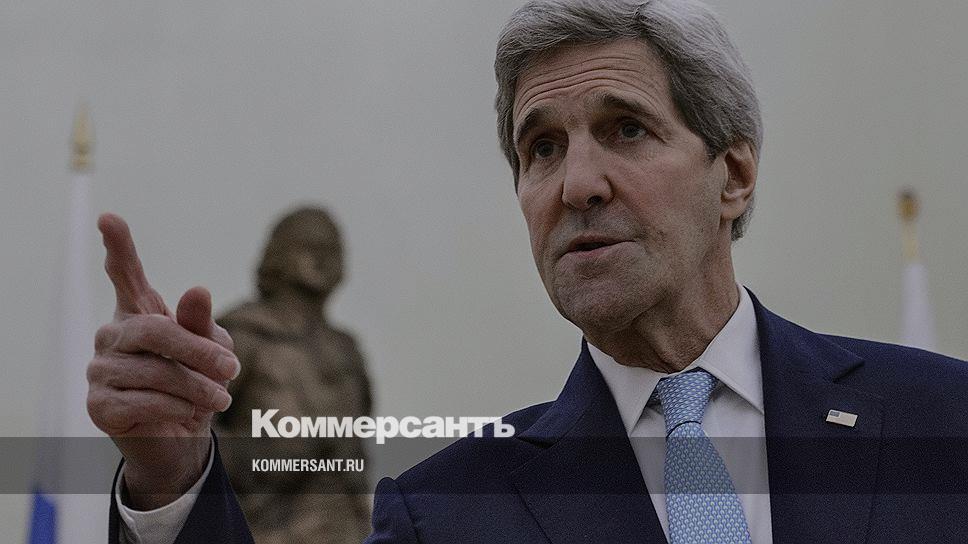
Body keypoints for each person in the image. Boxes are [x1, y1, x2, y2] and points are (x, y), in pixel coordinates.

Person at [87, 1, 968, 543]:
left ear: (732, 175)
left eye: (626, 129)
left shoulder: (941, 420)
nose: (577, 185)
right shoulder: (443, 514)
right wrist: (173, 484)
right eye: (541, 148)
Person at [214, 207, 372, 544]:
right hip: (266, 529)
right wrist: (263, 457)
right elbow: (191, 431)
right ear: (278, 254)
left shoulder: (346, 350)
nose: (323, 257)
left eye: (333, 249)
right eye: (308, 245)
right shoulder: (243, 336)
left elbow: (358, 450)